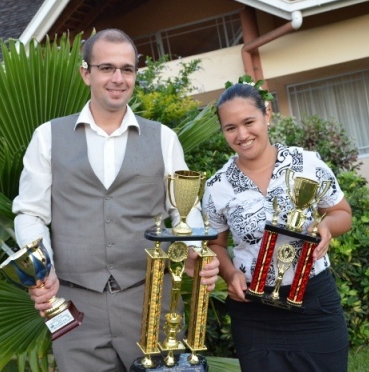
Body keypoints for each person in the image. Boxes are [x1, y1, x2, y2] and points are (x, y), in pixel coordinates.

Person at [12, 28, 219, 372]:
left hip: (152, 301)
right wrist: (43, 270)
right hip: (74, 305)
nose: (118, 78)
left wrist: (197, 249)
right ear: (86, 73)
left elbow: (184, 210)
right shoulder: (47, 136)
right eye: (107, 68)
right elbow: (30, 212)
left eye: (127, 69)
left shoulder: (163, 138)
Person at [202, 82, 352, 372]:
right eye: (230, 128)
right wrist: (230, 273)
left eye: (249, 122)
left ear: (267, 114)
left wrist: (326, 227)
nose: (242, 135)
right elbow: (216, 244)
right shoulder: (217, 186)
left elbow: (341, 212)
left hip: (313, 303)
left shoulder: (307, 164)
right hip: (254, 313)